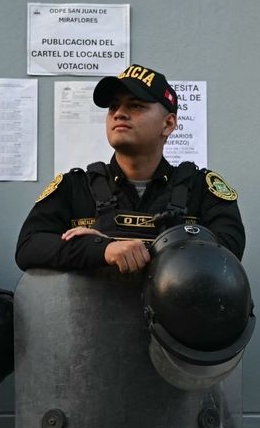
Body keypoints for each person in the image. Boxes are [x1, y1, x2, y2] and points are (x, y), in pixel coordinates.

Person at [14, 63, 244, 273]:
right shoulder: (74, 187)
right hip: (88, 317)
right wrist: (99, 249)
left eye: (135, 105)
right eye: (113, 106)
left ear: (168, 124)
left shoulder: (202, 189)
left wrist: (118, 245)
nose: (119, 114)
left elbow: (227, 255)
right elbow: (28, 246)